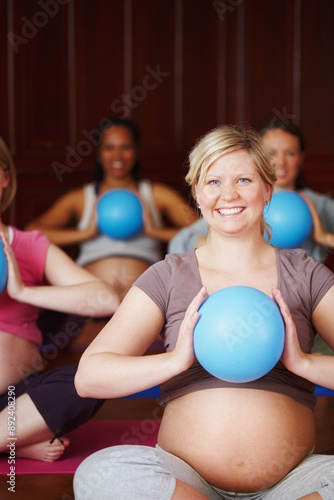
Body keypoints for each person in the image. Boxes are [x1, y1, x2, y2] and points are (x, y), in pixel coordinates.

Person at [73, 125, 334, 499]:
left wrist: (304, 363)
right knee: (99, 474)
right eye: (213, 181)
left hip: (291, 484)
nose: (228, 194)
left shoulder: (305, 272)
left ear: (267, 190)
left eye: (244, 179)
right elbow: (89, 377)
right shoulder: (168, 275)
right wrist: (176, 361)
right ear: (196, 192)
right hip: (186, 480)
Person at [0, 137, 119, 462]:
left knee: (89, 381)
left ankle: (11, 436)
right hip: (12, 420)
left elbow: (106, 300)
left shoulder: (27, 244)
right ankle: (13, 440)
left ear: (5, 177)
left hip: (12, 399)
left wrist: (22, 291)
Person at [26, 117, 198, 301]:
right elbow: (32, 231)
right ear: (99, 153)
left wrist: (155, 231)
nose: (117, 156)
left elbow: (206, 233)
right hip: (89, 303)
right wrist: (84, 233)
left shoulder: (157, 195)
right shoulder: (80, 198)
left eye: (125, 147)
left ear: (136, 151)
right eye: (109, 147)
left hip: (144, 304)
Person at [260, 120, 334, 264]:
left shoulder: (320, 205)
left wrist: (324, 237)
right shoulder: (245, 201)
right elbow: (201, 236)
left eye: (290, 153)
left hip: (308, 286)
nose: (281, 162)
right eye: (271, 153)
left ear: (301, 158)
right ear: (259, 157)